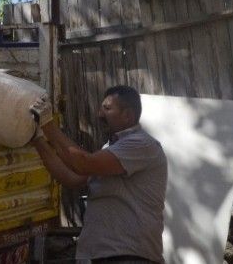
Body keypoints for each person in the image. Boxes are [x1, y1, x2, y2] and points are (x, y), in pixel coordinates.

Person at [33, 85, 167, 264]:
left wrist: (47, 123)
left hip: (129, 256)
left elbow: (83, 163)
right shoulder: (111, 148)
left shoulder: (141, 145)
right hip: (104, 256)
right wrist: (38, 140)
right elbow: (72, 178)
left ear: (128, 115)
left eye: (107, 109)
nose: (99, 115)